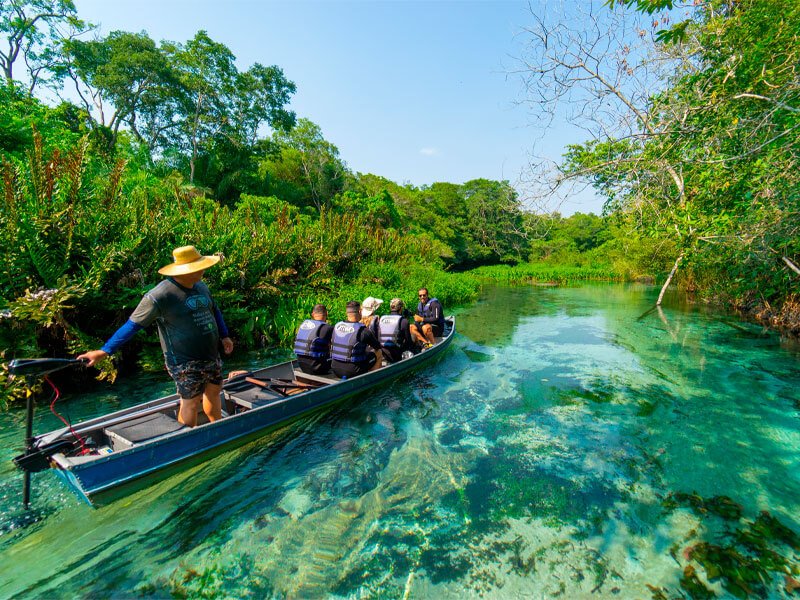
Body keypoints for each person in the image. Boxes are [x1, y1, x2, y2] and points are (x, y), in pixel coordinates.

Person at [78, 245, 234, 428]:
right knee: (191, 401)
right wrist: (104, 351)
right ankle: (185, 438)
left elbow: (214, 310)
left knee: (214, 390)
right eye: (199, 267)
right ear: (186, 270)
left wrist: (224, 336)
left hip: (210, 353)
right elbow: (132, 325)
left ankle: (219, 425)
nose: (204, 269)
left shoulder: (201, 286)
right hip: (184, 361)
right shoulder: (159, 296)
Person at [330, 301, 383, 378]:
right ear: (359, 311)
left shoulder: (337, 326)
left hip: (335, 368)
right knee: (378, 352)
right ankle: (373, 379)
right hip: (353, 371)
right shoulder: (363, 330)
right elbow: (377, 347)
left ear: (347, 313)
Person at [293, 304, 333, 375]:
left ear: (312, 314)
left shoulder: (303, 324)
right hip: (317, 368)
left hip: (301, 365)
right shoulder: (328, 328)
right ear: (326, 313)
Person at [377, 298, 414, 363]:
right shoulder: (404, 321)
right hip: (396, 353)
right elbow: (408, 341)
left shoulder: (382, 318)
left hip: (383, 351)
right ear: (401, 308)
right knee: (414, 337)